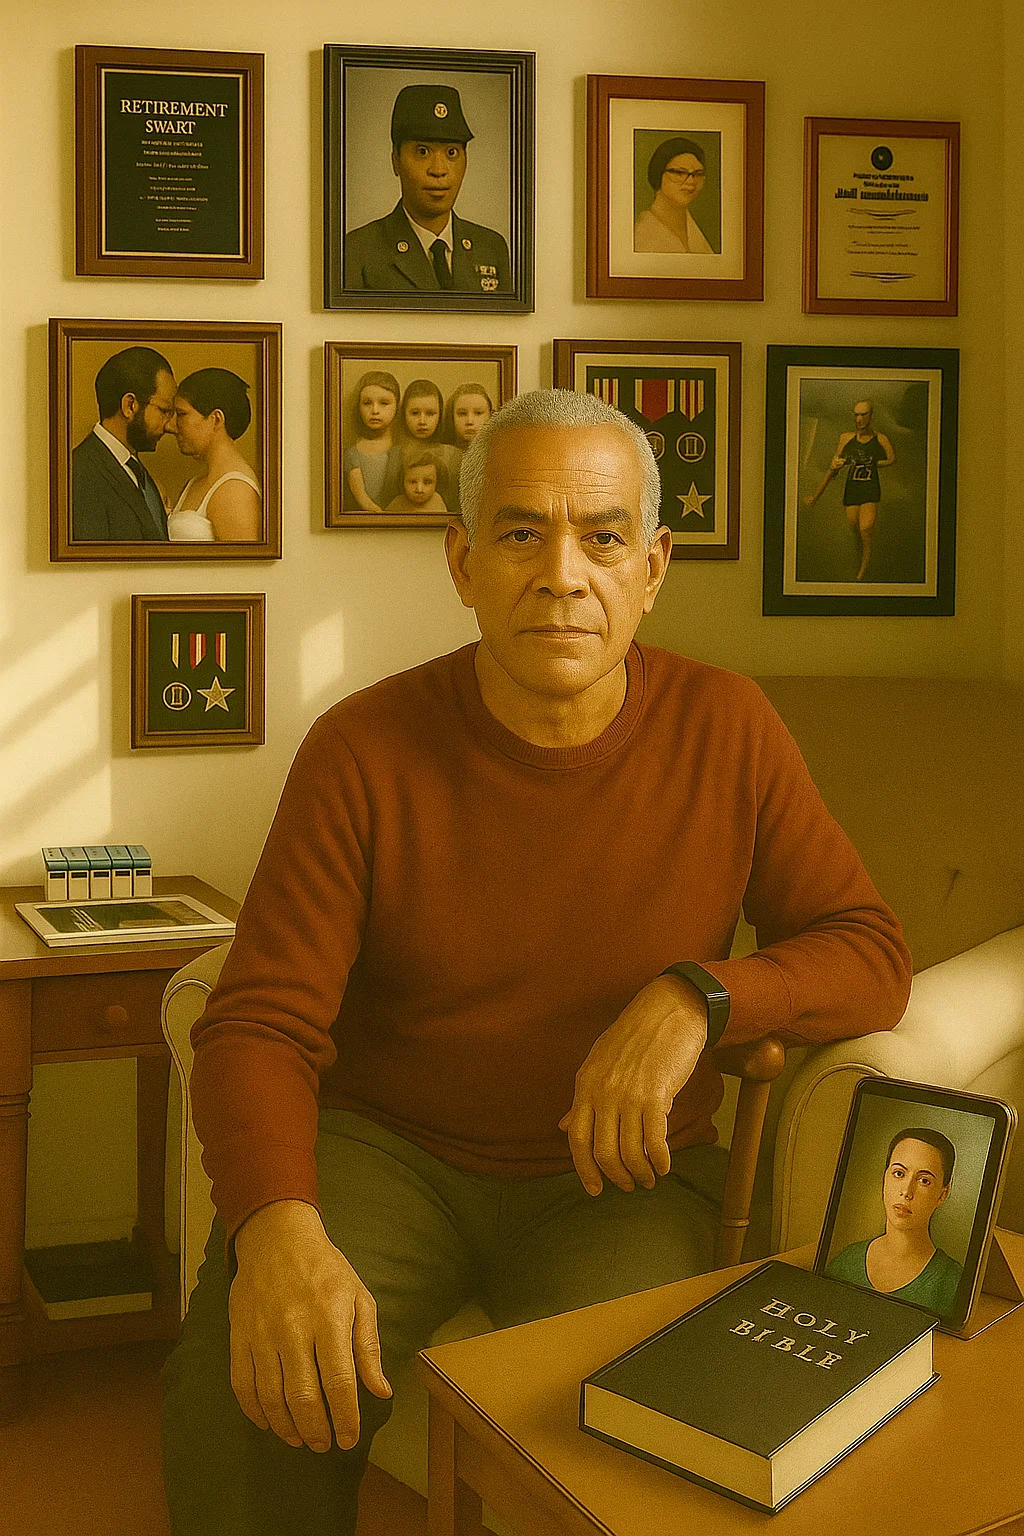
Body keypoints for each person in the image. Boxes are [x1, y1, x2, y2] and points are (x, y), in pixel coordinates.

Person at [161, 389, 912, 1536]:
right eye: (520, 534)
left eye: (602, 538)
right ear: (461, 562)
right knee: (254, 1394)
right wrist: (274, 1229)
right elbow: (257, 1021)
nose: (563, 574)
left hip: (619, 1183)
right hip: (386, 1151)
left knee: (627, 1454)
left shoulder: (729, 728)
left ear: (653, 567)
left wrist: (700, 995)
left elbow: (870, 954)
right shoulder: (361, 748)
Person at [344, 84, 512, 294]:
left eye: (451, 152)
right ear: (396, 161)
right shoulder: (357, 251)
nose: (439, 170)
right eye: (423, 152)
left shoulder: (491, 247)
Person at [826, 1129, 963, 1315]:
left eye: (924, 1180)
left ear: (942, 1195)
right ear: (885, 1178)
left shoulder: (952, 1282)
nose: (907, 1191)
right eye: (899, 1173)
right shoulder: (848, 1260)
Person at [71, 346, 176, 541]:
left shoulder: (138, 473)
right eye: (164, 411)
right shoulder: (79, 474)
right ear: (129, 405)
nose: (170, 426)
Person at [802, 401, 896, 581]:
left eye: (863, 415)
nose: (859, 419)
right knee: (854, 525)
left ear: (870, 416)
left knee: (866, 529)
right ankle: (860, 551)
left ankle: (862, 574)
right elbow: (833, 469)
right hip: (852, 490)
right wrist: (815, 496)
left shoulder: (880, 438)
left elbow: (891, 458)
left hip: (870, 490)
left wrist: (876, 463)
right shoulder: (846, 438)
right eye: (856, 415)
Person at [167, 369, 262, 543]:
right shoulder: (196, 483)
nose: (172, 426)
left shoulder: (235, 490)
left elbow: (244, 568)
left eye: (181, 414)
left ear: (216, 419)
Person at [633, 136, 715, 256]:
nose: (691, 181)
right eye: (679, 173)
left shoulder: (695, 230)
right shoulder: (641, 233)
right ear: (659, 173)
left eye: (698, 174)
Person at [343, 371, 403, 514]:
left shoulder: (403, 451)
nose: (375, 410)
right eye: (367, 403)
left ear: (396, 407)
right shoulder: (352, 454)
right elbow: (362, 498)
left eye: (384, 403)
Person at [397, 376, 461, 506]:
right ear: (404, 414)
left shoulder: (454, 456)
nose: (422, 421)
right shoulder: (395, 454)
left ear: (440, 413)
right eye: (415, 413)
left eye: (430, 413)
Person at [385, 450, 447, 515]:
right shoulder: (398, 502)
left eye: (427, 482)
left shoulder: (436, 501)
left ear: (436, 482)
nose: (419, 489)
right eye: (413, 482)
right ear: (402, 481)